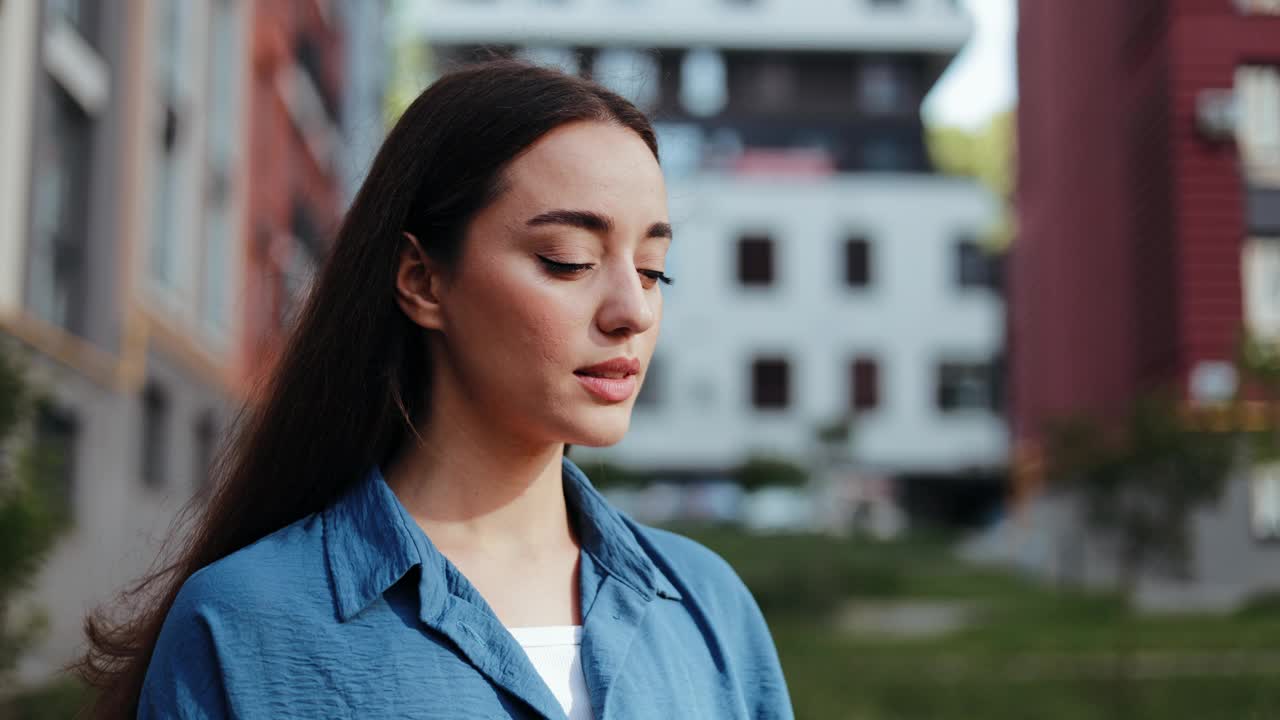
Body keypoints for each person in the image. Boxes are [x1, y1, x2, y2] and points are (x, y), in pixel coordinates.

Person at [75, 59, 793, 720]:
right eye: (567, 260)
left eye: (652, 269)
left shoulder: (708, 605)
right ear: (421, 279)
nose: (632, 310)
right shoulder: (244, 624)